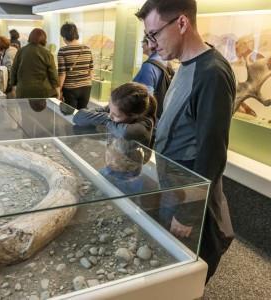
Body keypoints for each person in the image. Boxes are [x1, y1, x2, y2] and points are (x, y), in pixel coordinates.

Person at [136, 0, 236, 282]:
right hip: (175, 187)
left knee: (188, 276)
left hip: (192, 198)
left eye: (154, 34)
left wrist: (188, 213)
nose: (151, 44)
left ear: (181, 23)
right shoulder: (183, 64)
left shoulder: (212, 73)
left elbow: (212, 153)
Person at [73, 82, 156, 147]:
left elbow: (125, 133)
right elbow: (79, 116)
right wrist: (109, 117)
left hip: (129, 165)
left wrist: (104, 120)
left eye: (116, 115)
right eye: (110, 110)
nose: (109, 115)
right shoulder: (116, 107)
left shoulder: (145, 124)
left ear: (134, 115)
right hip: (113, 157)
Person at [10, 28, 60, 99]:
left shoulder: (21, 51)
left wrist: (13, 86)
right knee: (43, 110)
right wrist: (58, 91)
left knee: (25, 110)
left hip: (23, 91)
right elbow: (53, 74)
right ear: (44, 39)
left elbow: (13, 70)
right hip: (43, 92)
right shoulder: (47, 53)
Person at [133, 37, 174, 119]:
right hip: (160, 115)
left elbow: (145, 100)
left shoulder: (148, 67)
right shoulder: (166, 63)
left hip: (148, 119)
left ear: (150, 43)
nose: (141, 46)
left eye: (143, 42)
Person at [58, 22, 94, 109]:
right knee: (82, 113)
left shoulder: (63, 51)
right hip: (86, 87)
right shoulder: (87, 49)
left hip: (70, 88)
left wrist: (59, 89)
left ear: (64, 36)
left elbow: (62, 74)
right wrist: (86, 82)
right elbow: (91, 71)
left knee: (71, 114)